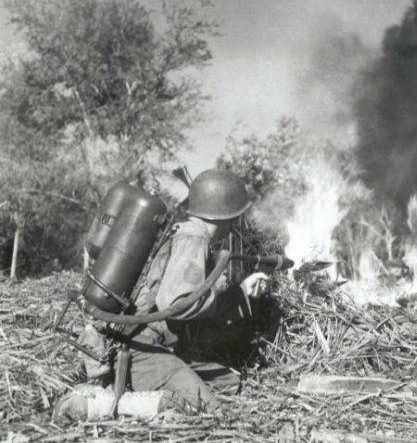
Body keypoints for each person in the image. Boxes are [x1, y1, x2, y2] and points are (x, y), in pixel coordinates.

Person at [55, 169, 268, 420]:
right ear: (226, 215)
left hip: (153, 342)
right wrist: (237, 292)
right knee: (202, 405)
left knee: (228, 382)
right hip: (137, 347)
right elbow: (177, 303)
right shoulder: (194, 239)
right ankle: (97, 405)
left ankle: (145, 384)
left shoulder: (183, 230)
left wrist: (238, 293)